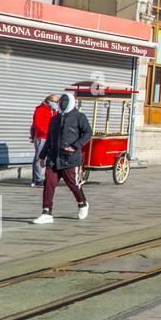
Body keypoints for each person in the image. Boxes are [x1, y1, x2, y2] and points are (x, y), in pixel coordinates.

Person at [32, 92, 92, 224]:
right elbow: (50, 139)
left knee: (73, 184)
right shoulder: (55, 119)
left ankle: (82, 204)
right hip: (53, 159)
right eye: (61, 101)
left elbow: (88, 133)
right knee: (49, 184)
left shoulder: (79, 117)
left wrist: (75, 146)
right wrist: (42, 156)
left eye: (65, 101)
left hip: (70, 159)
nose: (62, 103)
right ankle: (46, 212)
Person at [29, 94, 58, 187]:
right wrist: (47, 132)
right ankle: (38, 180)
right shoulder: (40, 109)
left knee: (40, 158)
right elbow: (37, 124)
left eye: (57, 102)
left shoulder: (53, 111)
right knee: (39, 157)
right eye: (54, 101)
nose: (56, 103)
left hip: (49, 137)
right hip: (41, 137)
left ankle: (36, 178)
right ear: (49, 101)